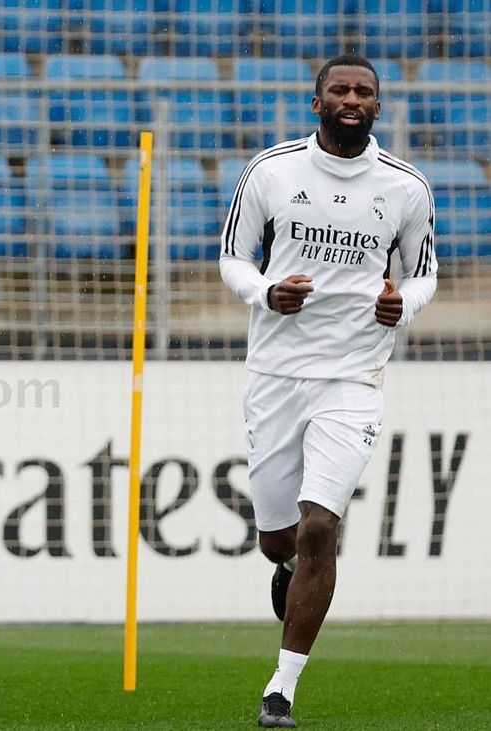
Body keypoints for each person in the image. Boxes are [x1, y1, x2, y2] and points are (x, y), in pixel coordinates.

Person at [218, 54, 437, 728]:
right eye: (339, 89)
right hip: (277, 375)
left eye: (364, 91)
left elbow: (425, 271)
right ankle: (282, 564)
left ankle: (281, 687)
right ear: (316, 102)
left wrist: (408, 302)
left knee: (321, 525)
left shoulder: (405, 187)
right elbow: (231, 257)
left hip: (354, 376)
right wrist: (265, 291)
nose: (352, 98)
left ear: (378, 105)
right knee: (278, 535)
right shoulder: (272, 171)